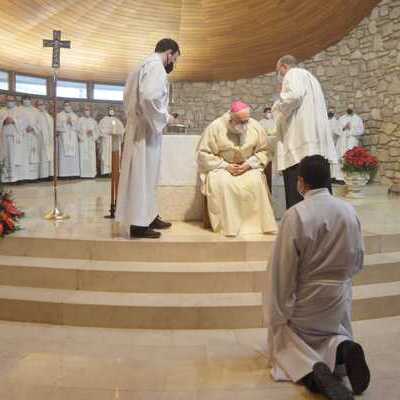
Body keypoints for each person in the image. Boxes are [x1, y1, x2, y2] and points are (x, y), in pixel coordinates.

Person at [264, 155, 370, 400]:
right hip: (338, 300)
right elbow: (359, 259)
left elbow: (283, 268)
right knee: (332, 335)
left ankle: (316, 376)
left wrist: (278, 311)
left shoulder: (296, 214)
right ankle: (344, 349)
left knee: (286, 342)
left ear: (301, 182)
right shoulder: (348, 210)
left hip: (307, 302)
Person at [116, 38, 180, 239]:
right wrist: (165, 118)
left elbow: (128, 97)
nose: (173, 64)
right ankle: (138, 225)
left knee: (147, 177)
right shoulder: (156, 67)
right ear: (169, 53)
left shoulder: (141, 65)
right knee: (142, 178)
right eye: (175, 59)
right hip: (145, 131)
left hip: (140, 126)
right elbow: (150, 97)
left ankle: (149, 216)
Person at [197, 101, 277, 236]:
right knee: (223, 183)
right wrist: (225, 166)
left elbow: (264, 151)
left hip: (248, 166)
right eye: (241, 121)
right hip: (222, 167)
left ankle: (256, 225)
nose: (245, 124)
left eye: (246, 120)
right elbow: (203, 154)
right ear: (231, 118)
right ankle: (230, 226)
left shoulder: (255, 126)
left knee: (256, 181)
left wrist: (249, 164)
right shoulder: (215, 127)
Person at [273, 55, 337, 209]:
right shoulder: (311, 78)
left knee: (298, 190)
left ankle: (299, 220)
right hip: (315, 141)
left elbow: (293, 96)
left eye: (279, 72)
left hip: (300, 140)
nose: (280, 77)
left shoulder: (293, 74)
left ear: (284, 67)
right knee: (320, 188)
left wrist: (278, 103)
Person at [0, 96, 24, 182]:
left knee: (14, 158)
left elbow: (23, 123)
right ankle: (5, 178)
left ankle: (16, 178)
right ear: (6, 101)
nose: (9, 102)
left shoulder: (20, 110)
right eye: (8, 100)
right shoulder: (2, 110)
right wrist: (3, 121)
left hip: (15, 138)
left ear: (15, 101)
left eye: (11, 100)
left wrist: (13, 120)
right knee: (4, 157)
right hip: (3, 138)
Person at [18, 95, 41, 181]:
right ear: (22, 100)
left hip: (32, 135)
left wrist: (33, 128)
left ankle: (33, 177)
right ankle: (23, 177)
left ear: (30, 100)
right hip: (22, 136)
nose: (26, 101)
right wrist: (23, 128)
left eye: (28, 99)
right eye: (24, 99)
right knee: (23, 156)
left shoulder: (36, 111)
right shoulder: (18, 110)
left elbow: (39, 123)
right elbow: (16, 121)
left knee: (33, 154)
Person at [98, 106, 125, 176]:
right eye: (110, 109)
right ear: (107, 111)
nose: (111, 111)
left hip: (115, 141)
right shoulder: (103, 120)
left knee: (115, 155)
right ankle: (106, 172)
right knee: (106, 156)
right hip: (107, 141)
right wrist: (108, 132)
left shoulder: (117, 121)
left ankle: (114, 170)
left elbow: (122, 130)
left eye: (112, 109)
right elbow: (100, 130)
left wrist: (116, 132)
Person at [56, 101, 80, 177]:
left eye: (68, 105)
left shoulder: (75, 116)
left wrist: (72, 123)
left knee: (73, 156)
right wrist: (65, 123)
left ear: (71, 106)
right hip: (63, 138)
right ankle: (63, 174)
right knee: (63, 156)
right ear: (63, 106)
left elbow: (78, 127)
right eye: (66, 105)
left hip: (73, 138)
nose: (67, 107)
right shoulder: (59, 115)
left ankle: (73, 173)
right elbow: (57, 127)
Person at [78, 105, 100, 178]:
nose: (87, 111)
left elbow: (97, 132)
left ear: (90, 111)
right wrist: (84, 133)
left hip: (91, 141)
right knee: (83, 157)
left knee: (91, 158)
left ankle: (91, 174)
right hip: (83, 142)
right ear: (83, 111)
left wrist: (92, 133)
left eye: (88, 110)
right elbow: (77, 131)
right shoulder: (80, 120)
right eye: (85, 110)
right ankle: (83, 174)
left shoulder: (93, 121)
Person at [36, 100, 54, 179]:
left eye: (43, 104)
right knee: (42, 156)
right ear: (36, 106)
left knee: (49, 156)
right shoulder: (36, 114)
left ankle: (50, 174)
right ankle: (43, 175)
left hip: (49, 139)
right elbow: (35, 126)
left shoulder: (48, 116)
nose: (41, 106)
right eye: (40, 104)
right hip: (40, 139)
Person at [328, 110, 344, 183]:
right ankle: (331, 176)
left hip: (334, 144)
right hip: (328, 144)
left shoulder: (336, 121)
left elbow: (337, 132)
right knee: (330, 162)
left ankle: (337, 177)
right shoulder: (326, 121)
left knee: (335, 161)